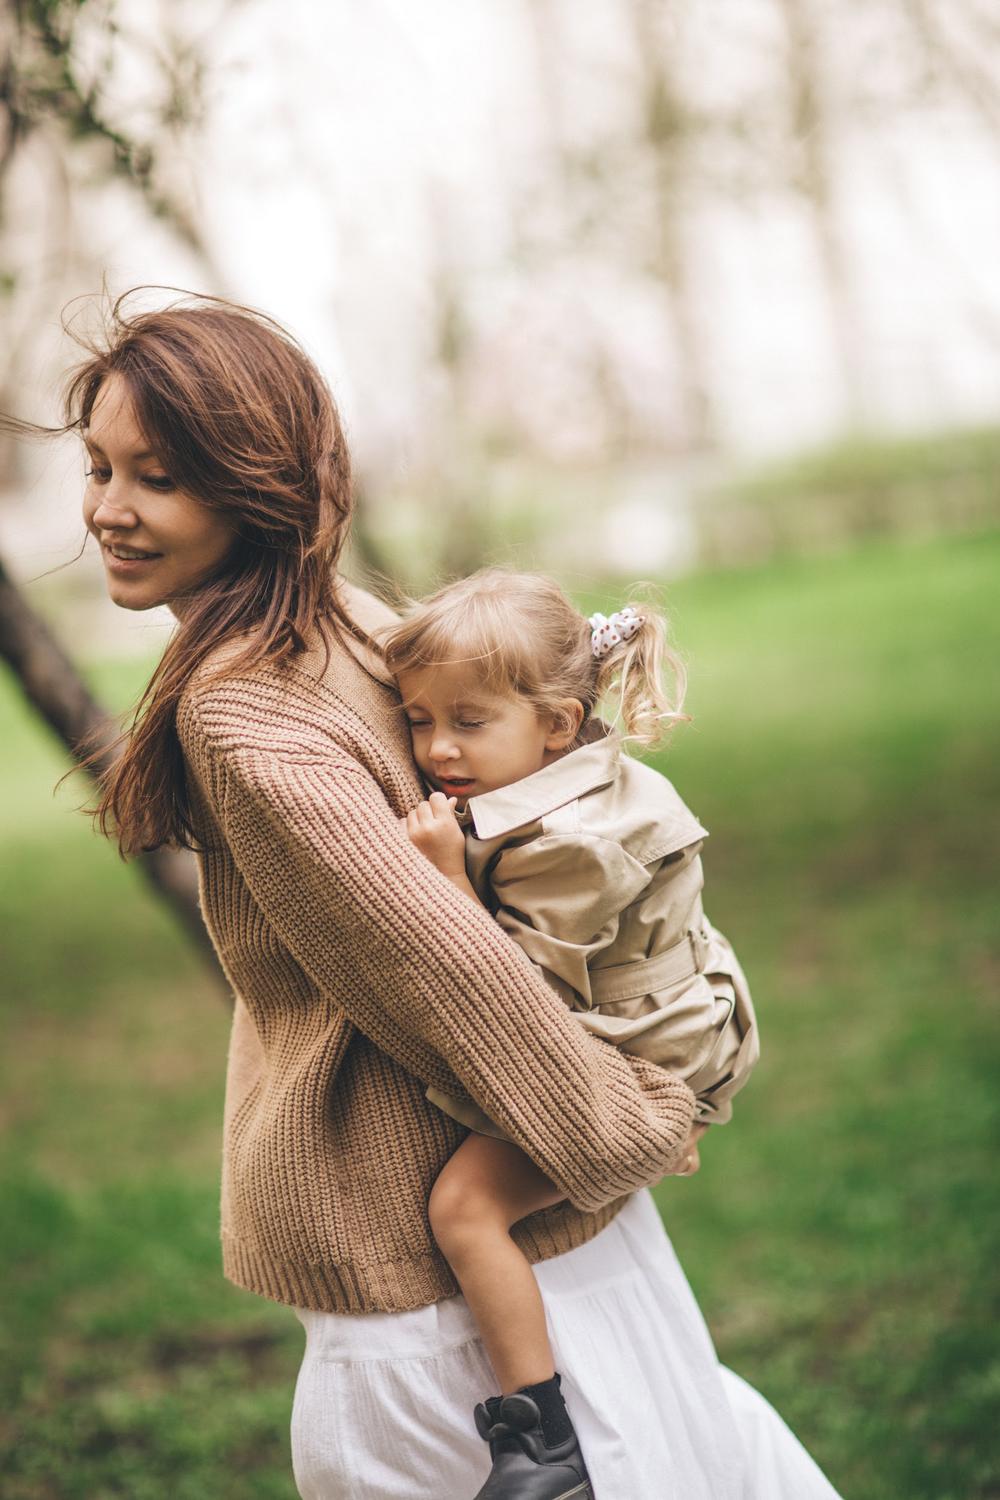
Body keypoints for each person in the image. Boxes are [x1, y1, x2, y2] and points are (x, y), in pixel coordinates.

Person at [46, 290, 840, 1498]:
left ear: (255, 483)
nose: (106, 508)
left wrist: (626, 1123)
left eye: (154, 476)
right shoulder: (354, 622)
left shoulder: (244, 706)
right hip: (545, 1214)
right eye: (99, 467)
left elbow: (441, 975)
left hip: (436, 1285)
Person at [379, 567, 760, 1480]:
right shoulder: (577, 784)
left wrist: (447, 882)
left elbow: (522, 1003)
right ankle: (675, 1127)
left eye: (469, 723)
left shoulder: (568, 844)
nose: (437, 750)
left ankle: (539, 1437)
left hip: (641, 1051)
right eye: (420, 719)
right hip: (691, 1014)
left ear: (554, 724)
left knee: (466, 1209)